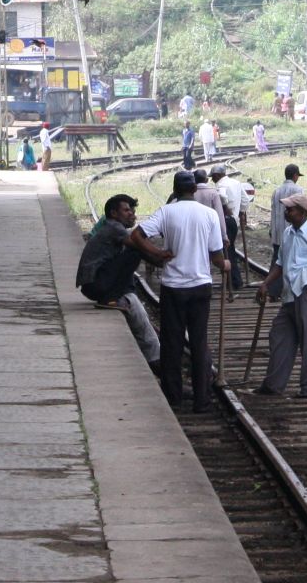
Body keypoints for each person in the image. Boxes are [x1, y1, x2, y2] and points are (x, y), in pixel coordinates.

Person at [129, 172, 226, 413]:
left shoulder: (166, 212)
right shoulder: (209, 214)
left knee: (171, 343)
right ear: (194, 189)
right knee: (199, 342)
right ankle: (201, 400)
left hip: (173, 287)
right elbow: (216, 254)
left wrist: (157, 253)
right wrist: (225, 265)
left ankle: (173, 397)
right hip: (200, 286)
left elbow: (136, 235)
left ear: (174, 189)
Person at [253, 192, 307, 398]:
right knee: (279, 334)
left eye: (290, 209)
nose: (286, 212)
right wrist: (266, 283)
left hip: (306, 290)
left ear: (302, 213)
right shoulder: (287, 234)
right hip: (290, 293)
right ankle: (273, 385)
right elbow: (280, 264)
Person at [77, 193, 160, 367]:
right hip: (96, 284)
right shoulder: (114, 227)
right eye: (126, 210)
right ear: (114, 213)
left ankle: (118, 295)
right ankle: (111, 298)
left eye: (132, 210)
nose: (132, 214)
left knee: (130, 257)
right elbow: (137, 246)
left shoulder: (112, 227)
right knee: (134, 253)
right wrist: (161, 257)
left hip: (94, 283)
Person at [212, 165, 246, 289]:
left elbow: (221, 197)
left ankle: (233, 282)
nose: (212, 180)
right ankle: (234, 281)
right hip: (234, 221)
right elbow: (245, 200)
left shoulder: (220, 185)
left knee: (225, 251)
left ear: (217, 175)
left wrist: (226, 208)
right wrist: (240, 213)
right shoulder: (236, 182)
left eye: (213, 178)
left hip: (225, 221)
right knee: (230, 250)